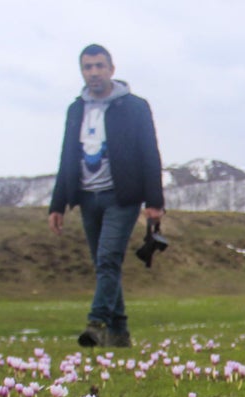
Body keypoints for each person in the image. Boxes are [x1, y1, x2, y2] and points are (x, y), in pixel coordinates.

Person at [49, 44, 164, 348]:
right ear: (82, 71)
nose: (94, 72)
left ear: (112, 69)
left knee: (108, 258)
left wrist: (155, 202)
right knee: (104, 266)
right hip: (87, 196)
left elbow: (149, 152)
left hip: (122, 196)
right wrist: (57, 204)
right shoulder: (77, 109)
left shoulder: (134, 106)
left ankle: (97, 322)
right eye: (88, 67)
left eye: (100, 66)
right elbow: (67, 155)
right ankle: (120, 332)